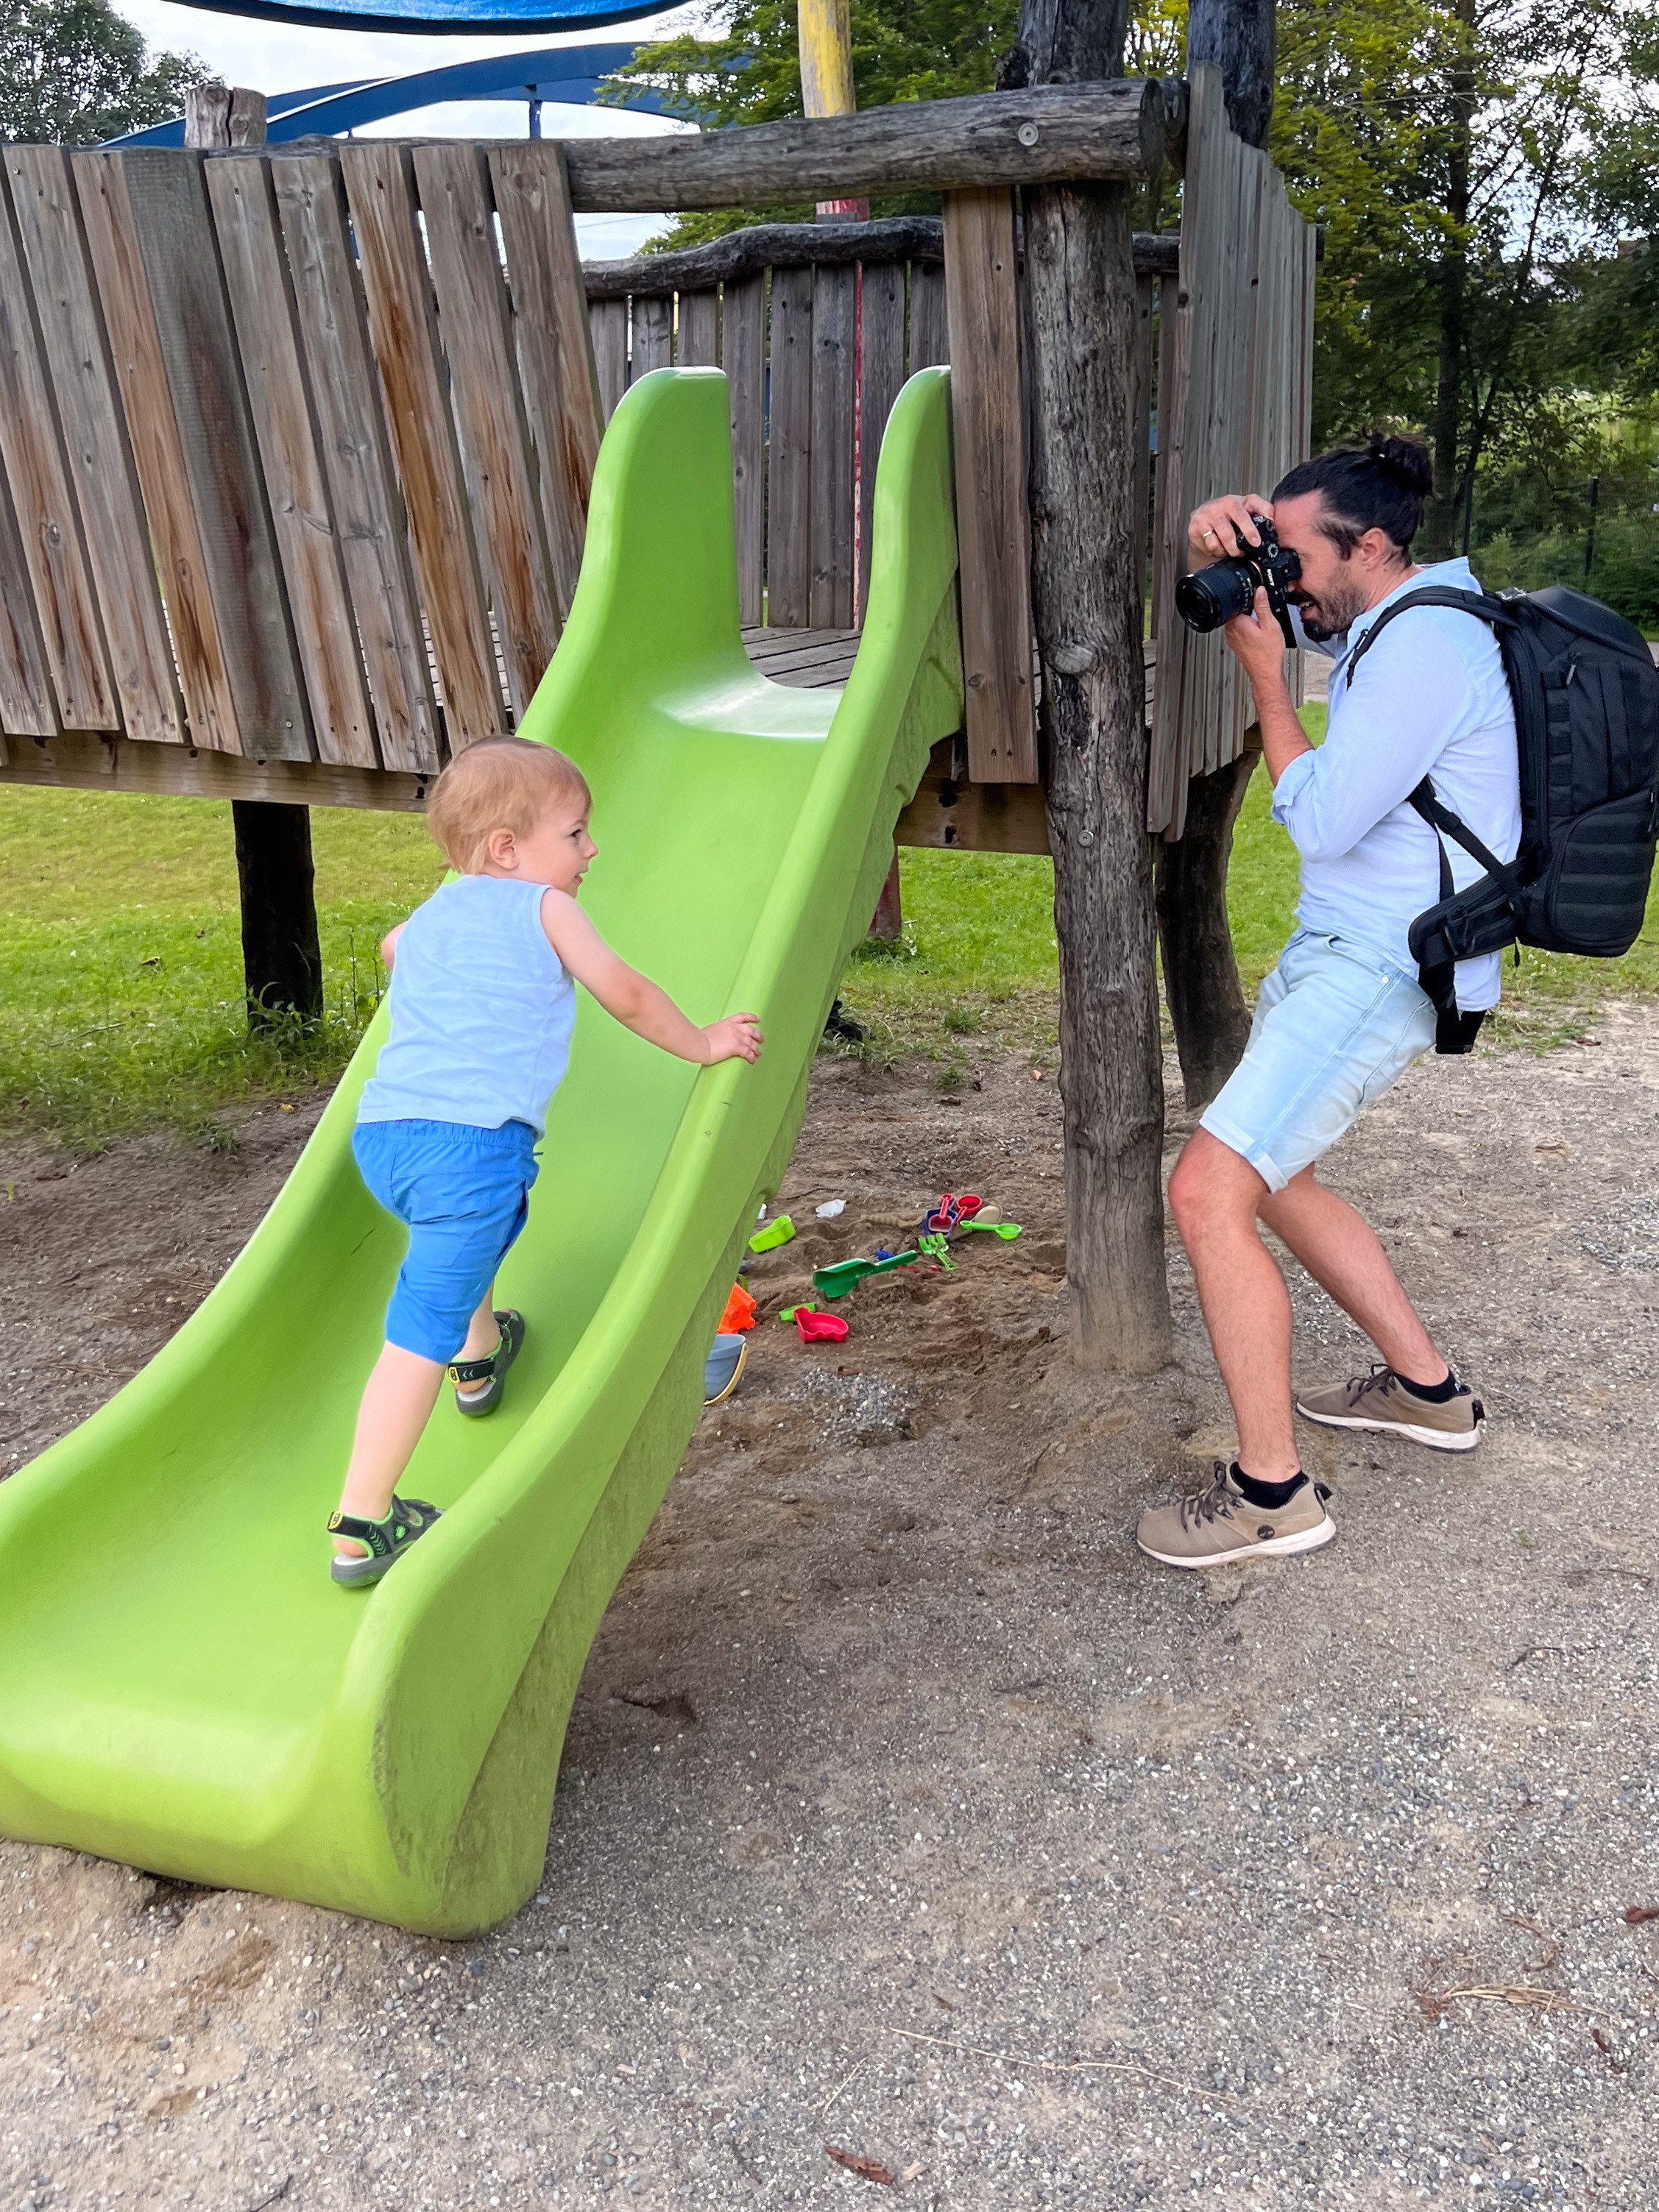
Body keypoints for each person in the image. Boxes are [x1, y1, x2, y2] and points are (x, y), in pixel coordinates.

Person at [1136, 433, 1519, 1571]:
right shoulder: (1391, 618)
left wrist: (1263, 667)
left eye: (1296, 557)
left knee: (1208, 1191)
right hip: (1351, 945)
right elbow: (1307, 622)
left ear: (1368, 545)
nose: (1284, 581)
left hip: (1381, 963)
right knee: (1279, 1174)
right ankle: (1428, 1392)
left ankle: (1271, 1493)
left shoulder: (1426, 649)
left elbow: (1315, 817)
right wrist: (1225, 536)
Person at [328, 736, 763, 1588]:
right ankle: (361, 1522)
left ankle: (480, 1355)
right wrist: (703, 1042)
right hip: (470, 1148)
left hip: (386, 1137)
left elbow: (390, 948)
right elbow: (625, 993)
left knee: (464, 1252)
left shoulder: (444, 908)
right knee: (419, 1326)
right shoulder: (545, 910)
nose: (590, 849)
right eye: (575, 834)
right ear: (507, 850)